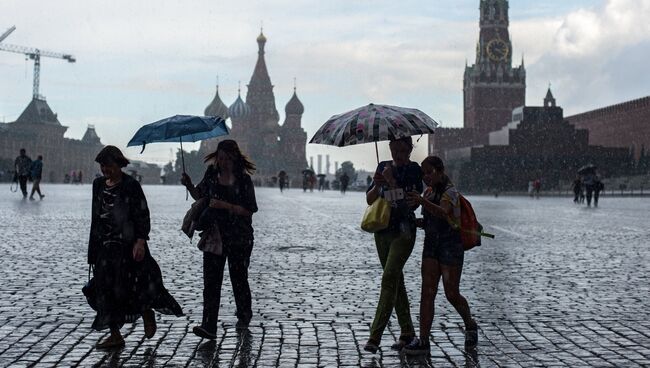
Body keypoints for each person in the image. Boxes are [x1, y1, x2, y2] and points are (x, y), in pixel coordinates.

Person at [85, 146, 183, 349]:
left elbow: (142, 214)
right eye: (103, 166)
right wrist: (93, 250)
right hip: (105, 247)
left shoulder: (130, 186)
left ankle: (146, 311)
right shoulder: (98, 185)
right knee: (105, 291)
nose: (106, 170)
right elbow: (96, 217)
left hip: (126, 246)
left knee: (129, 287)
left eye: (109, 166)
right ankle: (115, 334)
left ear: (119, 165)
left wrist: (140, 241)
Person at [181, 140, 258, 340]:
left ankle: (244, 315)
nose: (222, 162)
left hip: (239, 238)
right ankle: (209, 325)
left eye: (226, 158)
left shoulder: (243, 180)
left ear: (234, 158)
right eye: (219, 158)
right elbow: (200, 196)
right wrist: (189, 184)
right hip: (214, 236)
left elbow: (249, 210)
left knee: (238, 280)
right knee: (211, 283)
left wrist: (225, 206)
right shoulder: (211, 175)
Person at [402, 156, 478, 355]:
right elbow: (430, 220)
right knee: (427, 292)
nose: (426, 177)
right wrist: (415, 221)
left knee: (451, 293)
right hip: (431, 246)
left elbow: (444, 213)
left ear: (440, 171)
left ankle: (470, 324)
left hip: (451, 246)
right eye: (424, 173)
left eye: (430, 172)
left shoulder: (450, 192)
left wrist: (421, 202)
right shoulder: (428, 192)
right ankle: (424, 340)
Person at [363, 137, 423, 354]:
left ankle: (374, 336)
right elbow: (370, 200)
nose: (397, 154)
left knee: (389, 278)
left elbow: (411, 201)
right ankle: (407, 332)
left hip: (404, 231)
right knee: (396, 280)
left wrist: (391, 182)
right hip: (382, 231)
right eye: (393, 149)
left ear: (409, 150)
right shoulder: (382, 167)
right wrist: (378, 183)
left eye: (401, 150)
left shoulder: (414, 170)